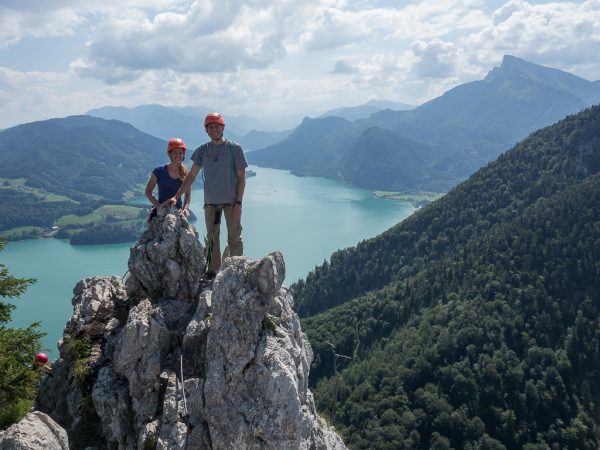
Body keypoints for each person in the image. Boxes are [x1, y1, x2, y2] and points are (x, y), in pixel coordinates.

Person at [170, 112, 248, 277]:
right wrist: (177, 196)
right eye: (210, 127)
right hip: (211, 203)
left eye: (216, 127)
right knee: (212, 240)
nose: (214, 130)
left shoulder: (234, 149)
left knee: (234, 238)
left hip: (231, 202)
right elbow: (191, 176)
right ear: (206, 130)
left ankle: (237, 271)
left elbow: (241, 179)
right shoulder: (203, 151)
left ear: (223, 128)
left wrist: (239, 203)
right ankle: (213, 272)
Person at [145, 138, 191, 220]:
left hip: (177, 212)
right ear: (169, 154)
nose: (178, 155)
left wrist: (185, 209)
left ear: (183, 154)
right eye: (175, 153)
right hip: (159, 212)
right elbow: (148, 191)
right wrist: (159, 206)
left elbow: (187, 195)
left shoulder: (185, 174)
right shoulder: (159, 171)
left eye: (180, 153)